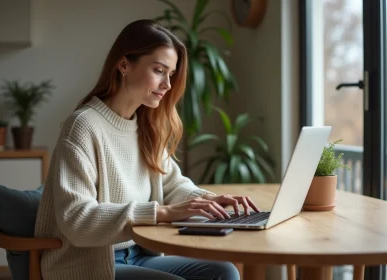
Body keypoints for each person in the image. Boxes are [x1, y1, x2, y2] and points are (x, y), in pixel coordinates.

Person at [34, 19, 260, 280]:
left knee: (224, 272)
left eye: (171, 74)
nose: (167, 84)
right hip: (92, 264)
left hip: (141, 254)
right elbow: (76, 220)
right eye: (158, 70)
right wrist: (162, 213)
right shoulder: (83, 126)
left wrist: (208, 200)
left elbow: (173, 186)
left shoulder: (146, 124)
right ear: (124, 65)